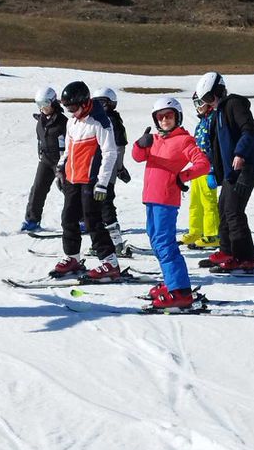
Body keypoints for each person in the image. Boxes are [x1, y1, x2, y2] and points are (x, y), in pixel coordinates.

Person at [132, 96, 211, 309]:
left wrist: (181, 177)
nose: (165, 120)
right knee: (156, 242)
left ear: (177, 117)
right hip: (150, 198)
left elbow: (203, 164)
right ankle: (171, 283)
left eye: (169, 116)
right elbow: (137, 157)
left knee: (165, 244)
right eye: (161, 116)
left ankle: (180, 292)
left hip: (166, 199)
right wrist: (140, 144)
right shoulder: (155, 139)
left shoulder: (184, 140)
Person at [195, 71, 254, 271]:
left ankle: (245, 257)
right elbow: (216, 145)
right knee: (223, 208)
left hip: (246, 166)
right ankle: (227, 251)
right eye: (205, 100)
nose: (209, 103)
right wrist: (214, 171)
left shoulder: (234, 104)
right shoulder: (218, 112)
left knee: (234, 211)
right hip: (231, 171)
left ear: (219, 90)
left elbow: (249, 130)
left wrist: (241, 153)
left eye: (210, 98)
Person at [52, 80, 120, 280]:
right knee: (68, 218)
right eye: (67, 108)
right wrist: (61, 166)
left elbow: (110, 153)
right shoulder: (72, 121)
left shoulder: (100, 121)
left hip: (91, 180)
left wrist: (102, 182)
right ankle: (72, 257)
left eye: (73, 107)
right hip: (73, 178)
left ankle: (110, 262)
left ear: (84, 102)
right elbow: (69, 148)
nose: (71, 111)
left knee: (92, 221)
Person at [20, 87, 67, 232]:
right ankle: (32, 220)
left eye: (45, 103)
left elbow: (71, 143)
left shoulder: (63, 122)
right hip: (46, 160)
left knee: (70, 191)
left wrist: (64, 164)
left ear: (53, 102)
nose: (42, 108)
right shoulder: (40, 121)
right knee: (38, 189)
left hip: (63, 161)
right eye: (39, 104)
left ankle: (82, 220)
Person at [92, 87, 130, 254]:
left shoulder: (113, 121)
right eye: (97, 103)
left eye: (103, 103)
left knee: (105, 204)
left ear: (111, 104)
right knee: (97, 206)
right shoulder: (96, 119)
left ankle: (117, 243)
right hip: (97, 169)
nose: (100, 106)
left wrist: (119, 168)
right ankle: (104, 242)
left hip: (108, 170)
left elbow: (120, 147)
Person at [180, 93, 219, 248]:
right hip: (198, 168)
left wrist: (213, 171)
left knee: (209, 202)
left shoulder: (213, 120)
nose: (198, 106)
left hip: (209, 169)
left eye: (200, 103)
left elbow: (216, 148)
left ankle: (212, 235)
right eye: (195, 103)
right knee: (195, 202)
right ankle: (196, 231)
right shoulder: (202, 122)